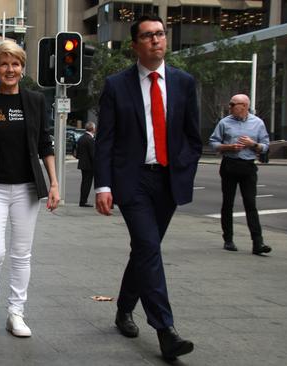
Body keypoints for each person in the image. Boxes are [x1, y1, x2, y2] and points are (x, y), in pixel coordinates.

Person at [94, 15, 202, 360]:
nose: (156, 40)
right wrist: (103, 185)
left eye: (160, 34)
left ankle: (124, 308)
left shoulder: (184, 82)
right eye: (148, 36)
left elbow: (193, 136)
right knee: (148, 247)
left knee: (145, 250)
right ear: (135, 45)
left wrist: (184, 166)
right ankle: (166, 330)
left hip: (168, 179)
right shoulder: (117, 85)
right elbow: (105, 140)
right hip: (133, 180)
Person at [0, 41, 59, 338]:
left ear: (22, 68)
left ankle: (16, 312)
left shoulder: (35, 101)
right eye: (4, 64)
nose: (10, 69)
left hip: (27, 188)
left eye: (15, 63)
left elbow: (45, 143)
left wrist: (54, 183)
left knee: (21, 254)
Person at [209, 94, 272, 255]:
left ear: (244, 106)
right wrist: (228, 147)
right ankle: (228, 239)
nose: (230, 107)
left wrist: (254, 144)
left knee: (250, 204)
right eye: (230, 104)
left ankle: (258, 243)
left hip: (248, 167)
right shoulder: (224, 122)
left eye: (233, 104)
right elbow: (213, 143)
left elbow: (265, 145)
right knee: (228, 203)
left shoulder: (257, 123)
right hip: (229, 165)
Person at [76, 122, 96, 207]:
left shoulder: (81, 138)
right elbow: (93, 154)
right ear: (93, 129)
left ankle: (82, 200)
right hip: (89, 166)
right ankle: (83, 201)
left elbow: (77, 153)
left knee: (84, 183)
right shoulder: (90, 139)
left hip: (83, 164)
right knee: (87, 184)